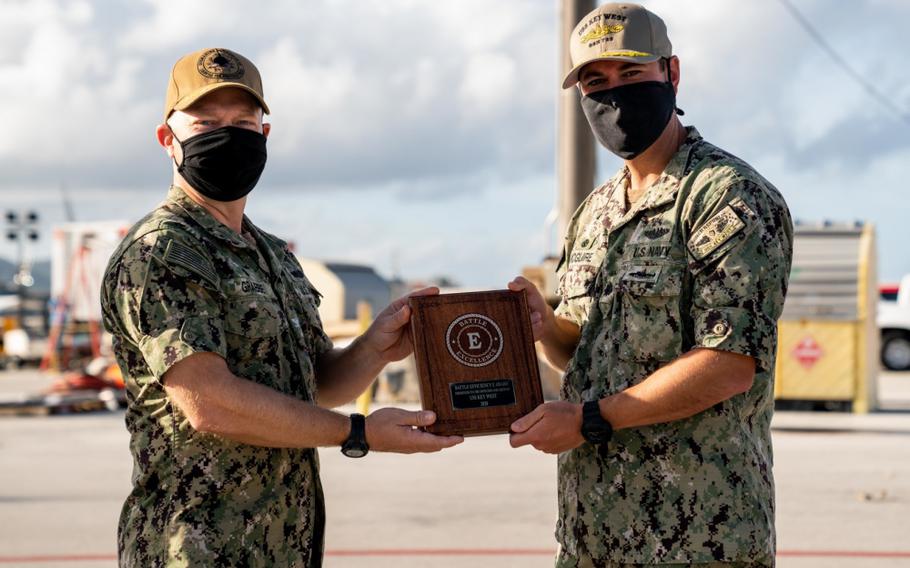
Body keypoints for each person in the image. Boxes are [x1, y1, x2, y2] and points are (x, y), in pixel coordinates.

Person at [100, 47, 462, 567]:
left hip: (284, 545)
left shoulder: (271, 253)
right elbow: (210, 403)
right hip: (196, 549)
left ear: (264, 136)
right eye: (205, 123)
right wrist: (358, 434)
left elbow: (315, 386)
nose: (226, 135)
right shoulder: (161, 251)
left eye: (243, 122)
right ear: (168, 140)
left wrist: (376, 347)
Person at [508, 4, 793, 567]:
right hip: (593, 536)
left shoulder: (726, 196)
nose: (613, 94)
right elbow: (586, 351)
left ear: (672, 73)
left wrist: (591, 418)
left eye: (631, 75)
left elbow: (730, 362)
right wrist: (547, 325)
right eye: (596, 81)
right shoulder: (594, 213)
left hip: (699, 540)